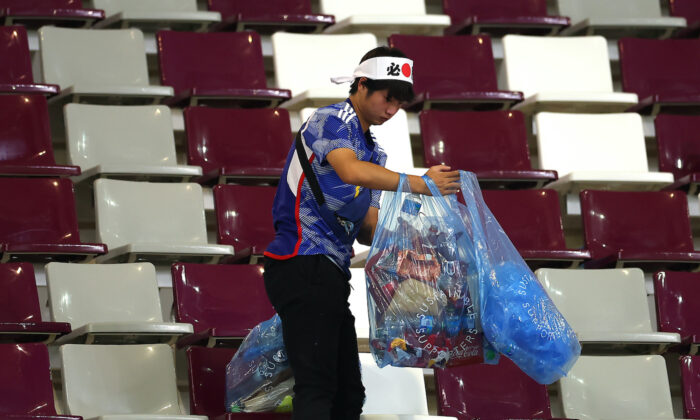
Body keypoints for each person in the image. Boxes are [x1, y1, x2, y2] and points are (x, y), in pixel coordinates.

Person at [263, 46, 460, 420]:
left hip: (329, 272)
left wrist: (420, 239)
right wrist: (420, 184)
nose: (392, 110)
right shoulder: (329, 120)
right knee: (318, 389)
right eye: (388, 99)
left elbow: (368, 227)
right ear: (363, 85)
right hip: (301, 261)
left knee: (348, 397)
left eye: (400, 104)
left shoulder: (375, 152)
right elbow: (349, 172)